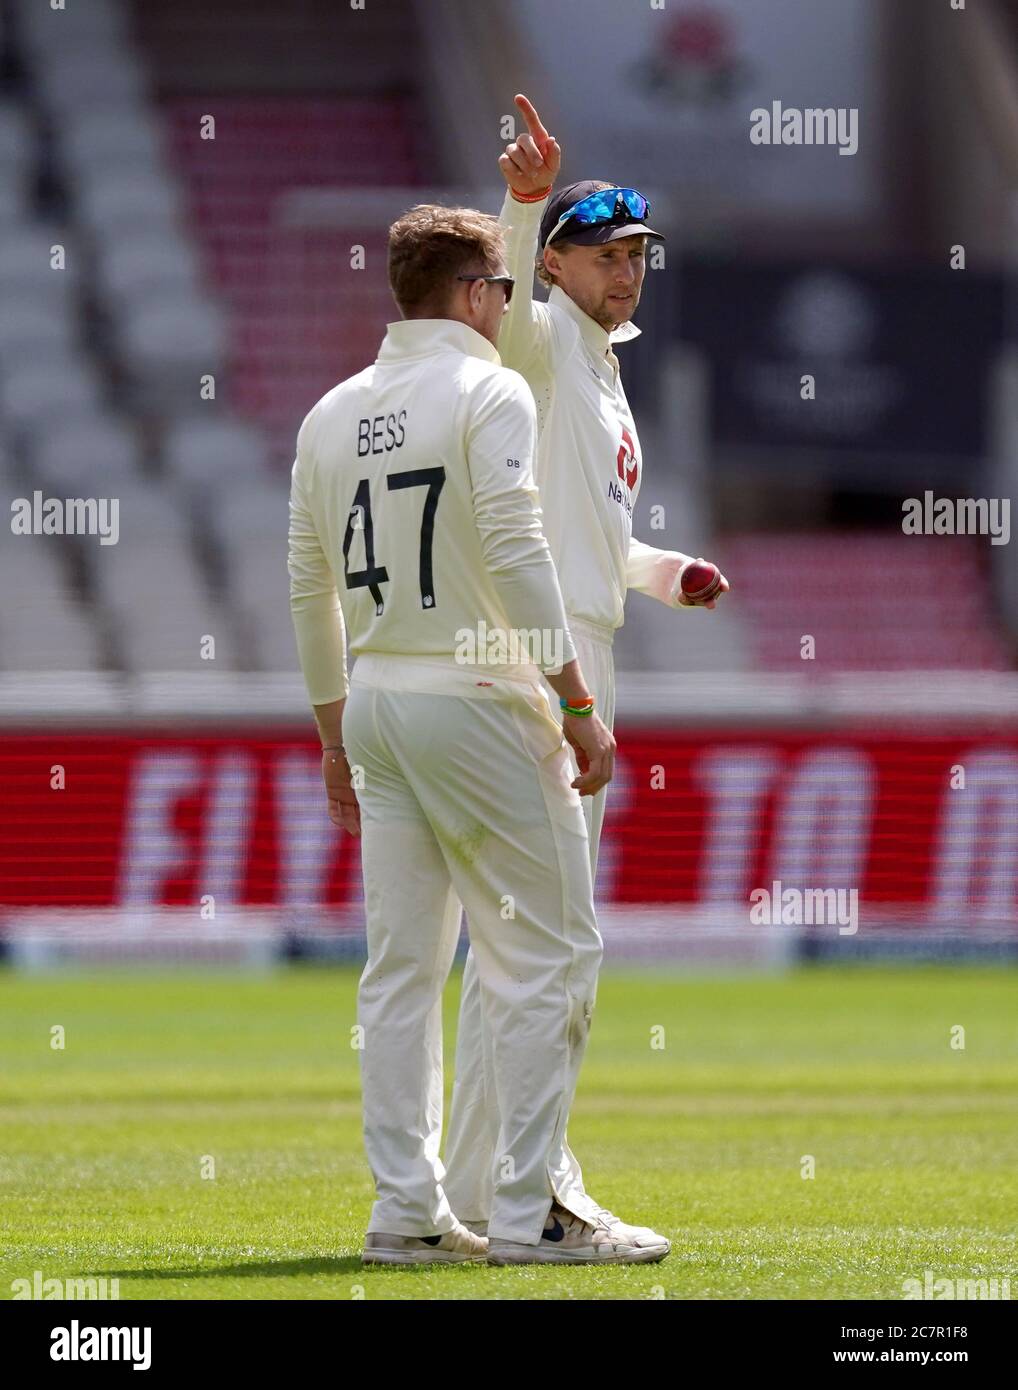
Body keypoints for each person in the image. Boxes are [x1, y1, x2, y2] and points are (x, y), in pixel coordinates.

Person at [289, 203, 667, 1264]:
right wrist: (576, 698)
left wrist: (329, 735)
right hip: (482, 694)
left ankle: (406, 1213)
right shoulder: (491, 388)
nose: (508, 305)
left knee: (400, 969)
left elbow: (306, 584)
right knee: (545, 952)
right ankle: (531, 1211)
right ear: (471, 294)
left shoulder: (329, 413)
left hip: (376, 699)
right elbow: (514, 544)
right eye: (501, 286)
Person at [443, 95, 729, 1245]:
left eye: (638, 256)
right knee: (558, 945)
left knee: (517, 941)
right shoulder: (552, 335)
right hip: (543, 661)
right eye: (608, 254)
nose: (628, 273)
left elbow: (589, 534)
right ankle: (539, 1198)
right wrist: (519, 201)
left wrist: (666, 574)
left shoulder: (602, 367)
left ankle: (472, 1194)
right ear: (555, 264)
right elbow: (500, 333)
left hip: (579, 637)